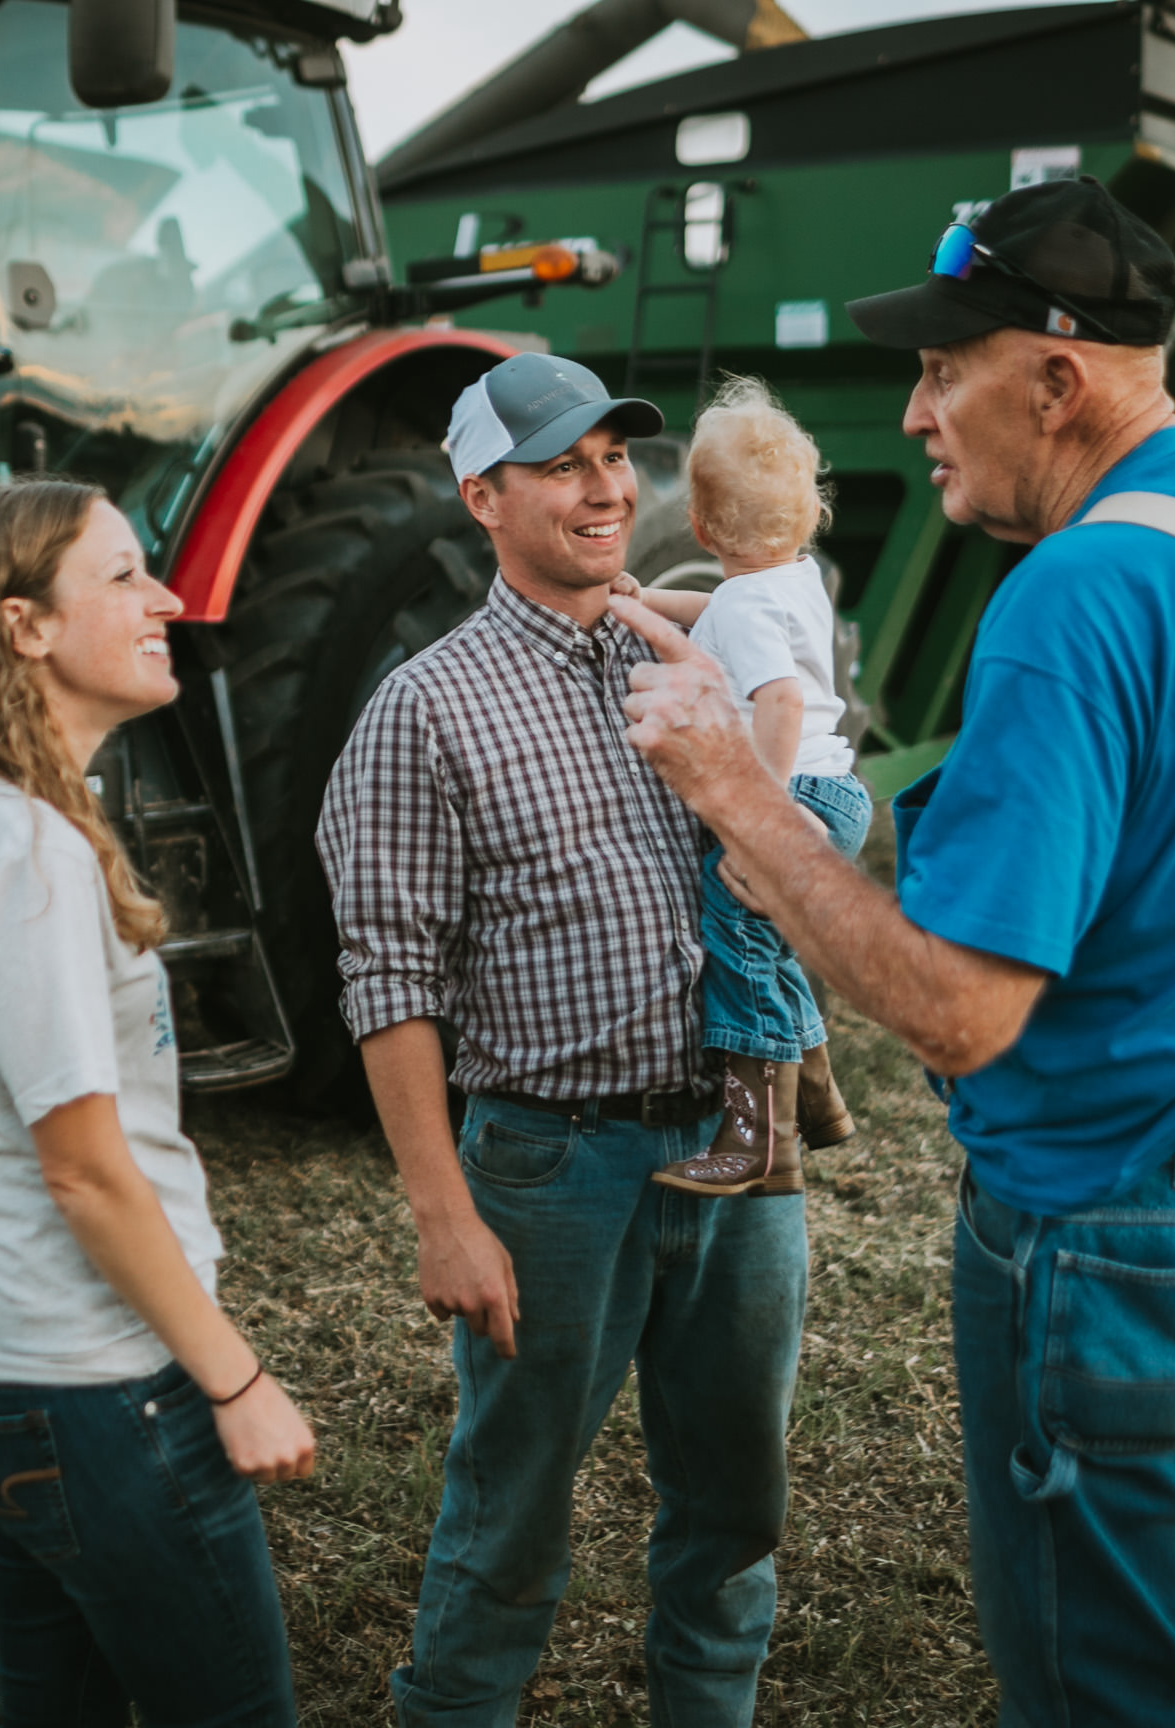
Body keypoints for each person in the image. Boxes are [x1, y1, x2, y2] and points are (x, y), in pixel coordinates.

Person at [606, 176, 1175, 1726]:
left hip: (1106, 1239)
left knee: (1107, 1694)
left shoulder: (1073, 598)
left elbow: (958, 1009)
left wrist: (736, 788)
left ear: (1058, 382)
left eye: (947, 372)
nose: (920, 414)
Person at [315, 352, 808, 1726]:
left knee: (735, 1506)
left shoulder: (690, 661)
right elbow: (388, 977)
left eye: (615, 459)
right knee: (513, 1513)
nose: (607, 489)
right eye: (562, 466)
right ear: (482, 494)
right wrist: (443, 1213)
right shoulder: (428, 710)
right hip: (553, 1167)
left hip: (732, 1142)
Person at [0, 478, 315, 1728]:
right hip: (95, 1384)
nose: (166, 597)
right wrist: (233, 1381)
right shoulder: (26, 854)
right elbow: (86, 1170)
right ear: (24, 628)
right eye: (121, 576)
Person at [614, 377, 871, 1196]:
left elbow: (782, 700)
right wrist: (645, 599)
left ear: (697, 524)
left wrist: (755, 816)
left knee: (736, 937)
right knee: (769, 943)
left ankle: (759, 1142)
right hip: (835, 788)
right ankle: (817, 1099)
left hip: (795, 792)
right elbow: (719, 604)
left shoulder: (752, 604)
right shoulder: (784, 580)